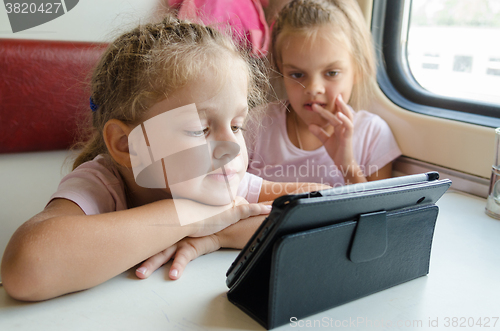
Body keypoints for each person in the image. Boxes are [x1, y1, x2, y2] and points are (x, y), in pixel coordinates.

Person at [1, 15, 327, 301]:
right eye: (200, 129)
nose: (233, 147)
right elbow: (26, 269)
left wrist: (216, 234)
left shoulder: (222, 179)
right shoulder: (101, 184)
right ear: (128, 146)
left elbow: (325, 210)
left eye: (236, 125)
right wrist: (191, 217)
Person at [246, 0, 402, 186]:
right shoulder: (255, 126)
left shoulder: (373, 134)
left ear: (358, 70)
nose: (313, 88)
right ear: (281, 71)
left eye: (331, 73)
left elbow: (377, 212)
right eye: (297, 74)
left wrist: (347, 166)